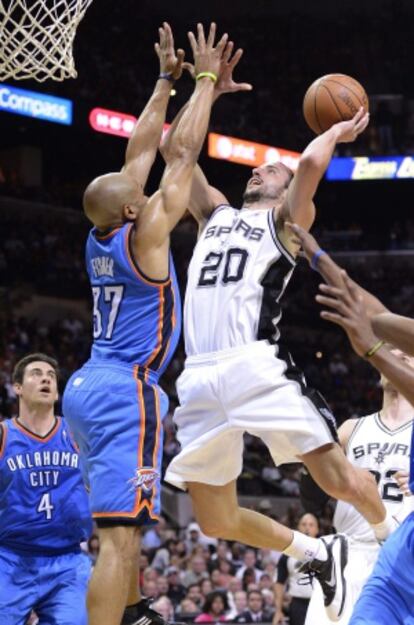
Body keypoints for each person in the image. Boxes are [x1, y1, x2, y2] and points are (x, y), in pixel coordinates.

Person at [163, 79, 395, 619]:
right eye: (256, 167)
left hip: (255, 365)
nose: (254, 170)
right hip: (197, 375)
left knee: (336, 479)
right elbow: (177, 152)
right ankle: (314, 550)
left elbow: (309, 169)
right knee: (215, 519)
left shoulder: (286, 222)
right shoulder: (213, 215)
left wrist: (335, 130)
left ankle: (393, 539)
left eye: (267, 168)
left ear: (283, 186)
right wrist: (204, 92)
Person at [62, 22, 230, 625]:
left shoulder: (97, 234)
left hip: (86, 385)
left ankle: (132, 612)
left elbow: (137, 154)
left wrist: (163, 83)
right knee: (120, 537)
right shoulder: (148, 235)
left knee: (119, 524)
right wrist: (205, 82)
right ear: (134, 209)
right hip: (125, 390)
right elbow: (177, 154)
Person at [289, 223, 414, 625]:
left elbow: (376, 330)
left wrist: (374, 349)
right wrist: (319, 259)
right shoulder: (353, 427)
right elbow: (378, 315)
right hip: (379, 553)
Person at [303, 352, 414, 625]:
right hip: (345, 555)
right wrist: (309, 457)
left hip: (398, 556)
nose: (398, 355)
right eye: (392, 352)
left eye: (408, 353)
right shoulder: (351, 429)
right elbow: (311, 500)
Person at [0, 353, 92, 625]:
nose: (45, 379)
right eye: (36, 373)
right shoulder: (4, 435)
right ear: (17, 387)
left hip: (68, 561)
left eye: (51, 376)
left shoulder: (77, 434)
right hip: (10, 558)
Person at [274, 514, 319, 625]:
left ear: (317, 529)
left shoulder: (328, 551)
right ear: (298, 528)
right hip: (298, 604)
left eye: (311, 525)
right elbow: (279, 583)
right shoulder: (287, 554)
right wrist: (278, 610)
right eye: (304, 524)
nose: (307, 527)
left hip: (321, 604)